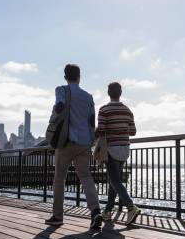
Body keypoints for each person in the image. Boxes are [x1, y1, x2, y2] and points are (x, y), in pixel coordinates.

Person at [45, 64, 102, 229]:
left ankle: (57, 216)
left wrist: (54, 116)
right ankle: (95, 211)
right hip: (85, 142)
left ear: (65, 77)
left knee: (59, 179)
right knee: (86, 177)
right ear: (79, 77)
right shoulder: (88, 96)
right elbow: (92, 121)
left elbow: (60, 105)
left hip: (66, 141)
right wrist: (91, 140)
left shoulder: (61, 90)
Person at [96, 82, 141, 224]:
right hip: (124, 149)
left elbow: (101, 130)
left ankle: (130, 206)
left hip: (110, 149)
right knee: (114, 181)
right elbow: (133, 132)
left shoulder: (104, 110)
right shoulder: (128, 110)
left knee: (114, 180)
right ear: (120, 93)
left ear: (109, 93)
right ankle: (108, 211)